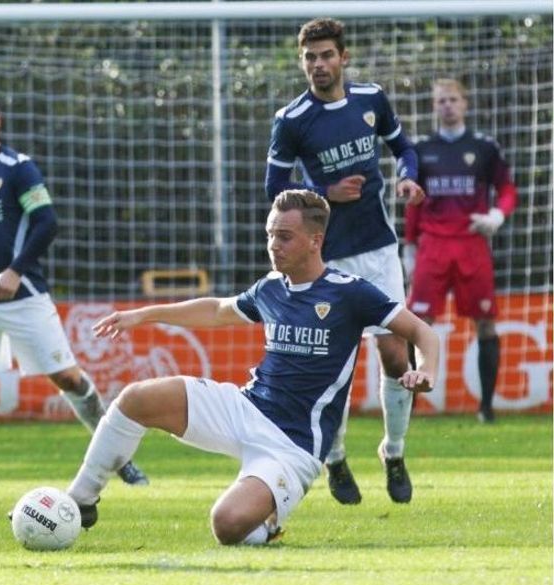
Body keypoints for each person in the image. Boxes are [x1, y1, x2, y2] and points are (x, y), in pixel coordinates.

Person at [66, 190, 439, 545]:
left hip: (294, 446)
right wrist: (142, 315)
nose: (273, 245)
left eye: (285, 236)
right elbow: (215, 310)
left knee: (227, 525)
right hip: (246, 407)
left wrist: (426, 370)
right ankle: (78, 500)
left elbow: (422, 333)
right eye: (270, 235)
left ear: (315, 240)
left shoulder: (351, 292)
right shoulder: (271, 288)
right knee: (136, 398)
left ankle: (269, 518)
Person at [0, 88, 148, 489]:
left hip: (24, 296)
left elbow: (47, 222)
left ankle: (120, 461)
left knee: (67, 378)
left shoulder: (18, 168)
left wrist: (15, 270)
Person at [265, 17, 427, 506]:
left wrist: (408, 177)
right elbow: (275, 190)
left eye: (326, 55)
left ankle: (393, 452)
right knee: (327, 363)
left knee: (396, 355)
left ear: (343, 57)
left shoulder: (371, 99)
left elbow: (404, 148)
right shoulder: (291, 120)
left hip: (378, 249)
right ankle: (333, 458)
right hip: (323, 256)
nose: (318, 65)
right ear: (303, 62)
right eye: (310, 57)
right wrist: (324, 193)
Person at [404, 79, 518, 424]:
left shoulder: (484, 148)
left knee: (485, 323)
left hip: (471, 244)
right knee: (415, 323)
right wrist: (409, 247)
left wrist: (498, 214)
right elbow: (413, 202)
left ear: (465, 104)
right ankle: (408, 405)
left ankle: (486, 407)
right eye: (441, 101)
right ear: (434, 106)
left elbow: (507, 188)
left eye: (453, 100)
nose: (447, 106)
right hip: (433, 246)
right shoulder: (421, 149)